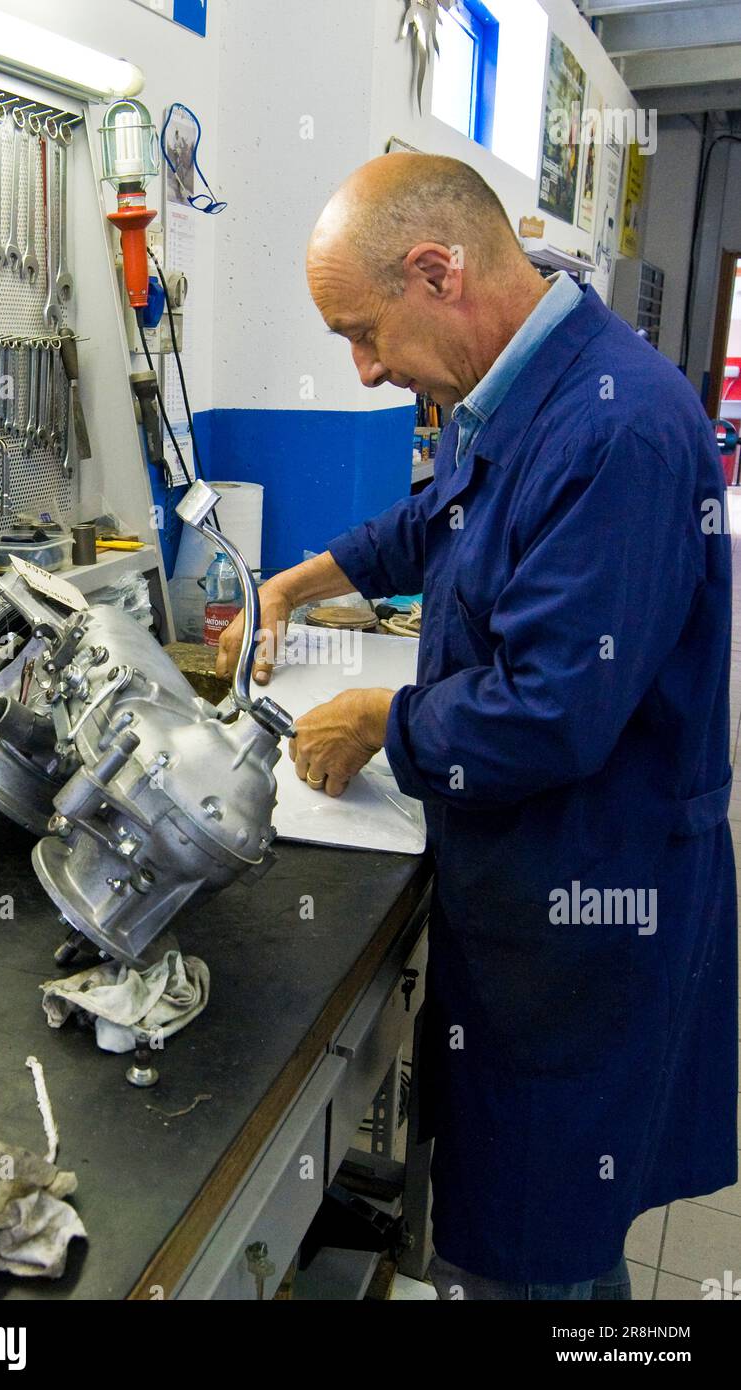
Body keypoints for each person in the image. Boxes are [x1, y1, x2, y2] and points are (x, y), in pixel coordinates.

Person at [216, 153, 738, 1300]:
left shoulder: (616, 432)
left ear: (435, 271)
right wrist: (295, 585)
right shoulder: (501, 381)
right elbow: (432, 518)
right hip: (518, 899)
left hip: (588, 918)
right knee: (520, 1235)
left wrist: (372, 715)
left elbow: (551, 711)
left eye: (362, 332)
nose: (359, 370)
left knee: (531, 1254)